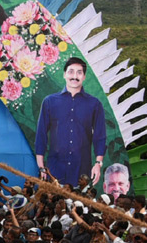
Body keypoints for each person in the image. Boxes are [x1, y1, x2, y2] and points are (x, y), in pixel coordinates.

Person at [34, 57, 107, 188]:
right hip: (54, 169)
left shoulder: (94, 104)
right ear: (64, 74)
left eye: (79, 72)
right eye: (71, 71)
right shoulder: (50, 101)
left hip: (82, 170)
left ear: (84, 76)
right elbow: (41, 135)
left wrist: (98, 164)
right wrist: (41, 167)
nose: (75, 76)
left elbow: (100, 136)